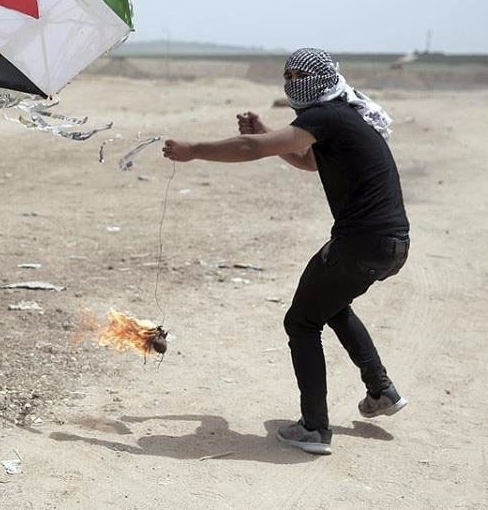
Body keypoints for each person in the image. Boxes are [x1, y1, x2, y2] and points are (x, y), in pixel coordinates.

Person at [163, 48, 409, 456]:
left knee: (301, 321)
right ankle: (380, 390)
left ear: (325, 77)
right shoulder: (340, 116)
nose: (293, 81)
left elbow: (248, 149)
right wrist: (266, 132)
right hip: (390, 244)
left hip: (361, 241)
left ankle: (314, 428)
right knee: (331, 305)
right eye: (287, 74)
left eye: (300, 74)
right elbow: (309, 161)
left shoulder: (327, 114)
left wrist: (194, 150)